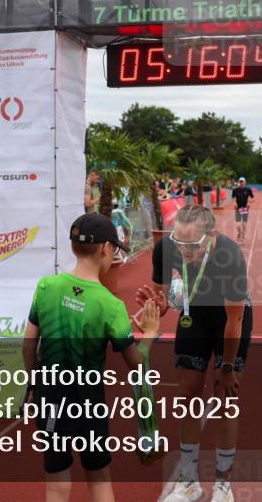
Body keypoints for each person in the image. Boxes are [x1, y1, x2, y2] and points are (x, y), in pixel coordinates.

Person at [23, 213, 160, 502]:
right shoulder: (110, 305)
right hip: (88, 405)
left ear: (74, 247)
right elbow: (137, 364)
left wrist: (33, 384)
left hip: (49, 399)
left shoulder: (46, 287)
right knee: (99, 481)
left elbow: (27, 344)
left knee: (56, 484)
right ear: (105, 249)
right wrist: (150, 332)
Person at [136, 204, 251, 502]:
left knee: (226, 399)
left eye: (193, 245)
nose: (184, 251)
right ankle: (189, 481)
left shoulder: (231, 256)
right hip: (193, 316)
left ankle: (224, 483)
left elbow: (234, 320)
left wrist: (227, 367)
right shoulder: (166, 249)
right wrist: (156, 308)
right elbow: (161, 300)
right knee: (188, 394)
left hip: (229, 319)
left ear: (211, 235)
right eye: (180, 242)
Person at [231, 177, 255, 242]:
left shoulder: (248, 189)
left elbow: (253, 198)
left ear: (245, 182)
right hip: (238, 209)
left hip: (245, 209)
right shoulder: (235, 190)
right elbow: (233, 198)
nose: (241, 183)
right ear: (239, 182)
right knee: (238, 226)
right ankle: (239, 233)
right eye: (240, 181)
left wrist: (249, 202)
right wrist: (234, 203)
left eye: (242, 181)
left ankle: (243, 238)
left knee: (244, 225)